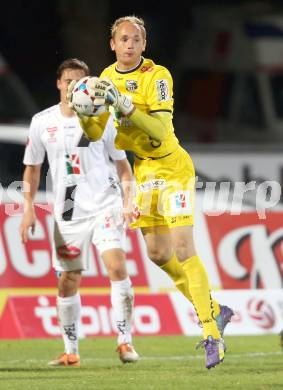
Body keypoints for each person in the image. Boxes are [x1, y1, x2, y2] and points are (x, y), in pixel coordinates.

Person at [68, 16, 234, 369]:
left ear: (144, 45)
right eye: (123, 39)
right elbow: (97, 133)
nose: (130, 44)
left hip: (172, 166)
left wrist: (124, 104)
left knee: (184, 247)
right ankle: (217, 310)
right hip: (144, 171)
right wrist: (84, 113)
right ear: (112, 44)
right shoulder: (106, 80)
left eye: (137, 39)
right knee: (158, 254)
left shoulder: (157, 77)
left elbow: (159, 129)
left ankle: (211, 334)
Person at [20, 58, 139, 367]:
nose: (73, 86)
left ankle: (125, 342)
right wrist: (28, 209)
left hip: (104, 203)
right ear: (59, 84)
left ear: (88, 85)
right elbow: (32, 169)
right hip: (68, 209)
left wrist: (128, 200)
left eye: (80, 81)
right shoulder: (42, 122)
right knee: (68, 280)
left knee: (116, 266)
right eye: (68, 81)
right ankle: (71, 350)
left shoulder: (104, 117)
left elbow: (123, 166)